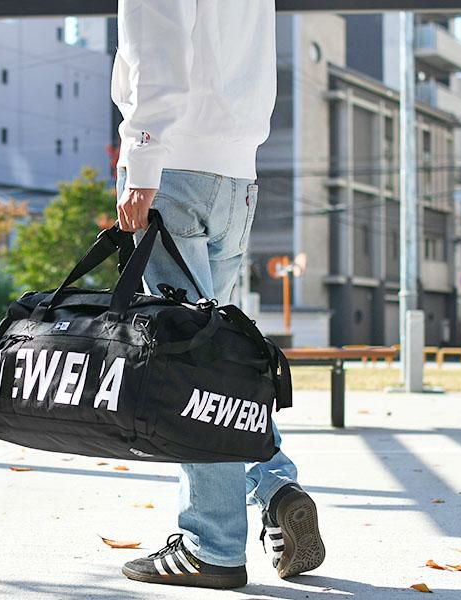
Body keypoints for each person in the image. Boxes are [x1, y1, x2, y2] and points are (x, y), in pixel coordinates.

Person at [112, 0, 325, 589]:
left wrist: (140, 164)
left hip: (173, 172)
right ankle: (275, 486)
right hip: (236, 177)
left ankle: (213, 545)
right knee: (218, 365)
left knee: (188, 371)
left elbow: (156, 53)